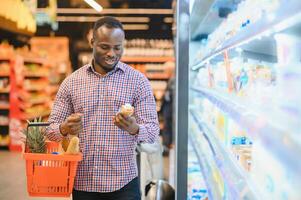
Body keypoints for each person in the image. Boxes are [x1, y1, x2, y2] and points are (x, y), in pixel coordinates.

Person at [45, 16, 160, 200]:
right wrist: (64, 128)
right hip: (83, 184)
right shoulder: (72, 83)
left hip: (124, 183)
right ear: (92, 42)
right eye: (105, 47)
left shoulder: (138, 82)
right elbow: (50, 131)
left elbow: (153, 131)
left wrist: (134, 129)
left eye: (117, 47)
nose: (111, 54)